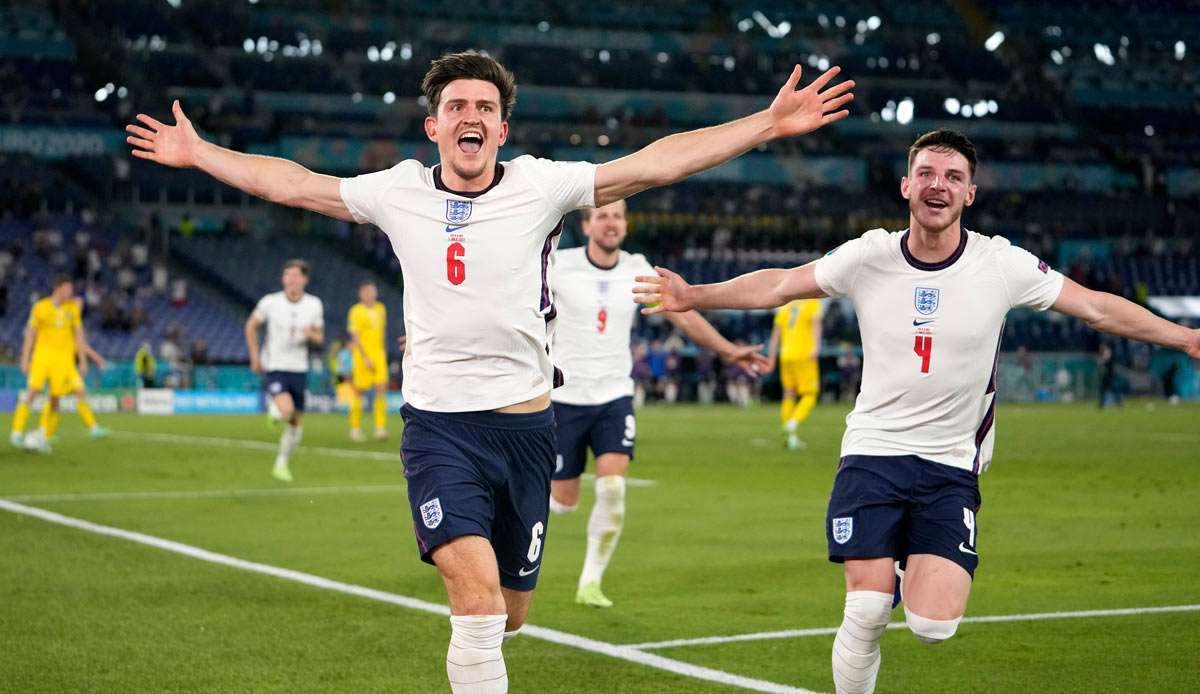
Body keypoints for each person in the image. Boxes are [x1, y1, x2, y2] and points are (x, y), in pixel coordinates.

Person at [127, 50, 853, 692]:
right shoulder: (398, 190)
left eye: (484, 107)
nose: (469, 117)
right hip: (440, 430)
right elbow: (291, 183)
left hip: (529, 431)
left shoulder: (542, 187)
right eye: (455, 107)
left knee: (509, 617)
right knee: (474, 610)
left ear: (502, 128)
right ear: (434, 127)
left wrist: (763, 123)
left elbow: (655, 162)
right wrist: (202, 153)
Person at [634, 129, 1200, 694]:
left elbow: (1097, 308)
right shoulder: (868, 255)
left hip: (951, 462)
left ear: (970, 194)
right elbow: (782, 284)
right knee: (867, 611)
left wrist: (1186, 338)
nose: (939, 186)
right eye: (927, 174)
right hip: (873, 453)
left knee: (933, 625)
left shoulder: (1000, 264)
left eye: (953, 177)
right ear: (906, 185)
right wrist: (694, 295)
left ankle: (906, 565)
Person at [548, 199, 767, 608]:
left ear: (626, 226)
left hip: (614, 396)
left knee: (613, 488)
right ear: (587, 224)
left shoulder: (637, 269)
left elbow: (680, 315)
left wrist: (726, 350)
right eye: (602, 216)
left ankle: (590, 582)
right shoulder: (560, 265)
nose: (610, 223)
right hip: (564, 398)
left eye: (617, 216)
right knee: (564, 502)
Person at [244, 259, 324, 482]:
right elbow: (251, 325)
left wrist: (311, 335)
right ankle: (275, 408)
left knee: (296, 425)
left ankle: (281, 463)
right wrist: (254, 355)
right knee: (287, 410)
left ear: (305, 280)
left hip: (299, 368)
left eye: (296, 276)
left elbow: (319, 337)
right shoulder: (270, 302)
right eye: (288, 275)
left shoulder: (314, 304)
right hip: (276, 366)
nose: (292, 279)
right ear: (283, 279)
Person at [10, 275, 110, 452]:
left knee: (55, 399)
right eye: (68, 288)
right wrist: (25, 358)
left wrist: (84, 361)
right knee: (33, 391)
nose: (71, 292)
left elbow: (79, 336)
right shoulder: (40, 307)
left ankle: (44, 435)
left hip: (63, 361)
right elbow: (30, 335)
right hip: (42, 357)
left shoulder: (72, 309)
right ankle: (17, 431)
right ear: (58, 288)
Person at [766, 298, 823, 450]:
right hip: (804, 354)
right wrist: (816, 348)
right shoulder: (812, 302)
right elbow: (816, 325)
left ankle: (791, 438)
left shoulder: (785, 306)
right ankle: (793, 422)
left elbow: (775, 334)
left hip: (786, 355)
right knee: (811, 394)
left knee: (789, 394)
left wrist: (771, 357)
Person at [346, 279, 389, 441]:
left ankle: (380, 428)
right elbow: (355, 337)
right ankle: (355, 429)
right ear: (361, 293)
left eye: (372, 291)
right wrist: (365, 358)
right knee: (359, 391)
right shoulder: (355, 311)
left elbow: (382, 333)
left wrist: (382, 353)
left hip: (378, 355)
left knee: (381, 388)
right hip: (362, 356)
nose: (370, 294)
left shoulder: (381, 308)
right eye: (366, 291)